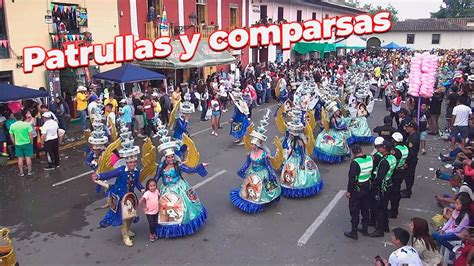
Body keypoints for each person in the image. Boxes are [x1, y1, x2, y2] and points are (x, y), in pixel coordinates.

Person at [91, 128, 144, 247]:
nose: (132, 164)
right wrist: (99, 175)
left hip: (130, 197)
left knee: (131, 215)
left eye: (134, 162)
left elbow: (136, 182)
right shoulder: (121, 170)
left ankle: (126, 229)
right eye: (130, 163)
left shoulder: (136, 171)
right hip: (120, 197)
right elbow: (110, 174)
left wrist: (142, 189)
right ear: (126, 162)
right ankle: (125, 234)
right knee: (124, 216)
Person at [153, 124, 208, 238]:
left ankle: (183, 228)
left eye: (172, 156)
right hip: (166, 190)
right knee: (168, 211)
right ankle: (170, 230)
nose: (171, 159)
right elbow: (156, 178)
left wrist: (201, 166)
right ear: (165, 157)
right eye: (169, 157)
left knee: (186, 208)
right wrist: (150, 187)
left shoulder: (178, 165)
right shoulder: (161, 167)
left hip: (180, 188)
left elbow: (190, 170)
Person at [230, 110, 282, 213]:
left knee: (263, 190)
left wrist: (271, 175)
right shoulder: (250, 153)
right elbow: (247, 163)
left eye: (254, 144)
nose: (252, 145)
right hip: (252, 172)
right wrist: (242, 170)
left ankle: (263, 201)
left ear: (259, 144)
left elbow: (268, 166)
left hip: (263, 173)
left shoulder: (264, 154)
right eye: (252, 144)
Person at [280, 109, 323, 198]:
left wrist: (301, 163)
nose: (290, 135)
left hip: (300, 159)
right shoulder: (291, 140)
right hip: (293, 158)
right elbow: (289, 147)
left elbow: (303, 154)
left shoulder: (299, 142)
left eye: (291, 133)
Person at [344, 144, 373, 240]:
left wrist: (349, 192)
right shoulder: (369, 158)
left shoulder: (355, 163)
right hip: (367, 188)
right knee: (365, 209)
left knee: (354, 211)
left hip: (357, 190)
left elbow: (352, 179)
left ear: (353, 153)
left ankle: (354, 232)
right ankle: (365, 229)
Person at [369, 140, 397, 238]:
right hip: (389, 185)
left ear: (384, 148)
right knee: (384, 207)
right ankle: (385, 226)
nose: (379, 148)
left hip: (383, 188)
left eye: (380, 147)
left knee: (380, 209)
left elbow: (380, 177)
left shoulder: (384, 161)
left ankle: (379, 230)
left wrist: (373, 185)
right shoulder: (392, 158)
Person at [388, 132, 408, 219]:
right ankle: (394, 210)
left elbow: (392, 161)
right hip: (401, 171)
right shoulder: (405, 148)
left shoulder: (396, 151)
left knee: (393, 193)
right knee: (396, 192)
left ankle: (393, 211)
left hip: (395, 173)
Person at [9, 112, 33, 177]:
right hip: (27, 143)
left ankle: (21, 172)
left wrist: (14, 142)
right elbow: (30, 135)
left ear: (15, 118)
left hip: (18, 144)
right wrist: (31, 142)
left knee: (20, 158)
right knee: (28, 157)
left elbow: (11, 136)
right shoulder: (27, 125)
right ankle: (29, 172)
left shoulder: (12, 126)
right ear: (22, 117)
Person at [401, 121, 420, 199]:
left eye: (408, 127)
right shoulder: (412, 135)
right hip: (412, 159)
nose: (406, 128)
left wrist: (406, 162)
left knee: (409, 176)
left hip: (411, 160)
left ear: (412, 128)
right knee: (408, 175)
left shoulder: (413, 138)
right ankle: (407, 190)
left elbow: (411, 152)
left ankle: (408, 191)